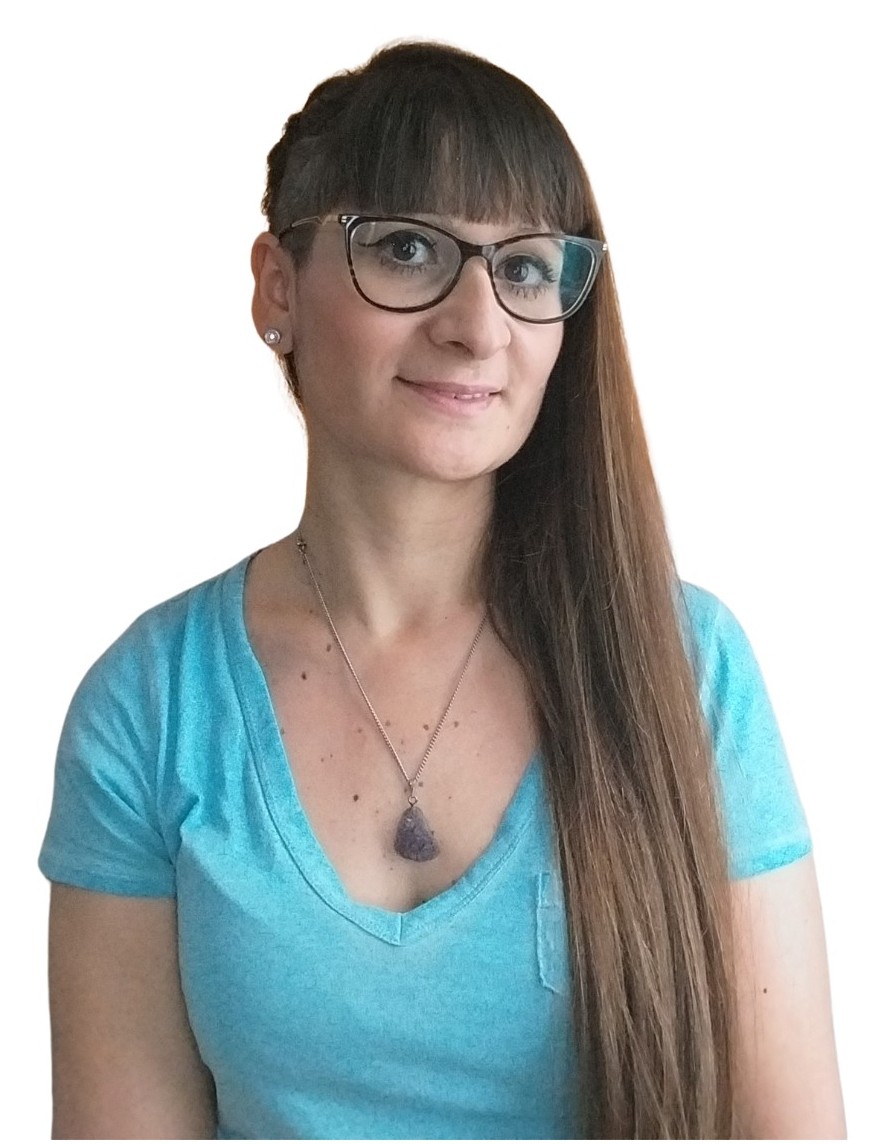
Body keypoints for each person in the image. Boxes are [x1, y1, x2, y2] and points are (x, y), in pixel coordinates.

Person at [39, 41, 846, 1140]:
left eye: (525, 268)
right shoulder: (152, 703)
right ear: (278, 286)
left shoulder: (685, 667)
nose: (477, 325)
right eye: (408, 249)